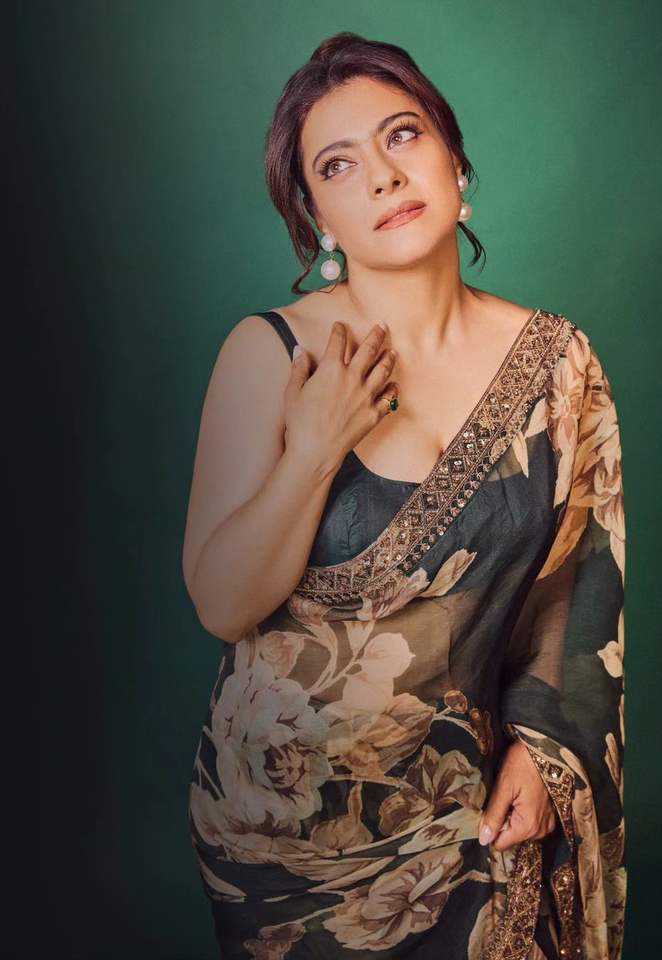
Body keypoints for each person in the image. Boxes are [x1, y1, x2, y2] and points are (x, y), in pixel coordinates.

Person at [183, 32, 627, 960]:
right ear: (317, 220)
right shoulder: (269, 353)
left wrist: (540, 754)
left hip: (472, 810)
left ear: (454, 162)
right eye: (339, 164)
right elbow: (222, 604)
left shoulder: (558, 363)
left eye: (402, 135)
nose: (383, 176)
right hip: (285, 840)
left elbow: (576, 589)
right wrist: (314, 449)